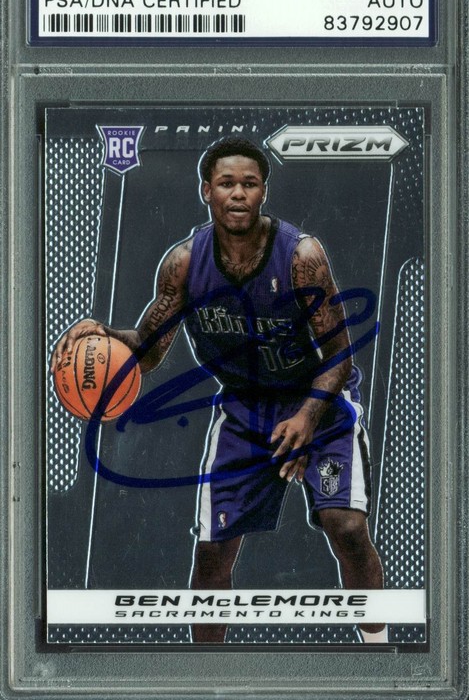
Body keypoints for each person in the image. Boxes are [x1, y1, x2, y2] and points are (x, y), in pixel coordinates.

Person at [51, 136, 387, 644]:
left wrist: (307, 418)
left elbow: (340, 356)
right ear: (206, 190)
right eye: (226, 183)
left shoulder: (301, 256)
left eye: (249, 184)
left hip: (317, 403)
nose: (238, 193)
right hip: (245, 412)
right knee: (211, 553)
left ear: (263, 192)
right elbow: (149, 348)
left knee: (347, 527)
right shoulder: (185, 264)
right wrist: (102, 333)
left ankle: (380, 651)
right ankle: (205, 669)